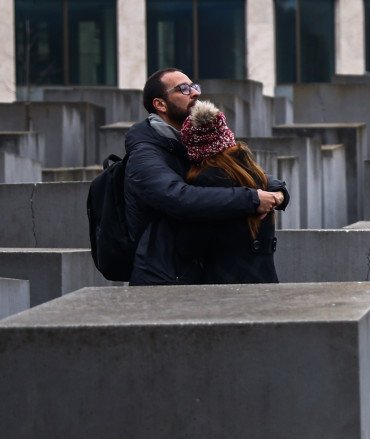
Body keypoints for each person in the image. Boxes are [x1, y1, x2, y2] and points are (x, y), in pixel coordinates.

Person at [123, 68, 288, 285]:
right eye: (183, 89)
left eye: (194, 86)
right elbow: (177, 197)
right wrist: (253, 199)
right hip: (165, 278)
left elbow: (236, 168)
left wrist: (277, 191)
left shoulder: (195, 139)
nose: (195, 93)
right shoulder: (145, 152)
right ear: (160, 104)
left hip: (195, 271)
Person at [180, 99, 279, 283]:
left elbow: (196, 242)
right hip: (261, 275)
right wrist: (281, 192)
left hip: (227, 279)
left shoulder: (208, 178)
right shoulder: (248, 169)